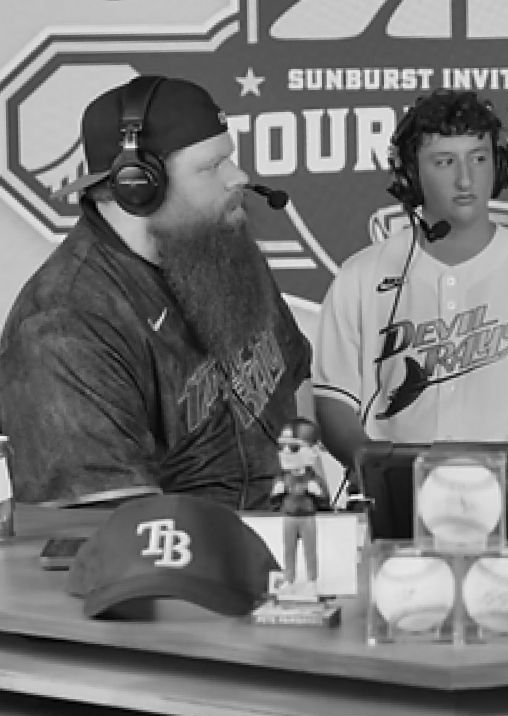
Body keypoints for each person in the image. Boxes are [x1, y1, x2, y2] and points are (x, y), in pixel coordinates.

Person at [0, 75, 312, 510]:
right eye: (211, 166)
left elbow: (294, 374)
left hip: (284, 536)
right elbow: (106, 525)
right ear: (138, 185)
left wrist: (304, 493)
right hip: (181, 552)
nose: (238, 176)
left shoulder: (221, 248)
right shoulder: (64, 325)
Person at [313, 88, 508, 495]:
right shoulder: (360, 276)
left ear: (499, 165)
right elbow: (334, 406)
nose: (466, 179)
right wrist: (380, 471)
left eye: (479, 158)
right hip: (397, 499)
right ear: (409, 174)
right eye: (444, 162)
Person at [270, 417, 330, 598]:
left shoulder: (313, 479)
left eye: (294, 447)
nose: (285, 452)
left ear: (313, 451)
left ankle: (312, 581)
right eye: (281, 446)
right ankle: (289, 580)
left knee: (310, 551)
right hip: (289, 518)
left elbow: (325, 503)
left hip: (307, 518)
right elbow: (273, 502)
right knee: (288, 551)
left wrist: (317, 493)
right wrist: (277, 493)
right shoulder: (282, 478)